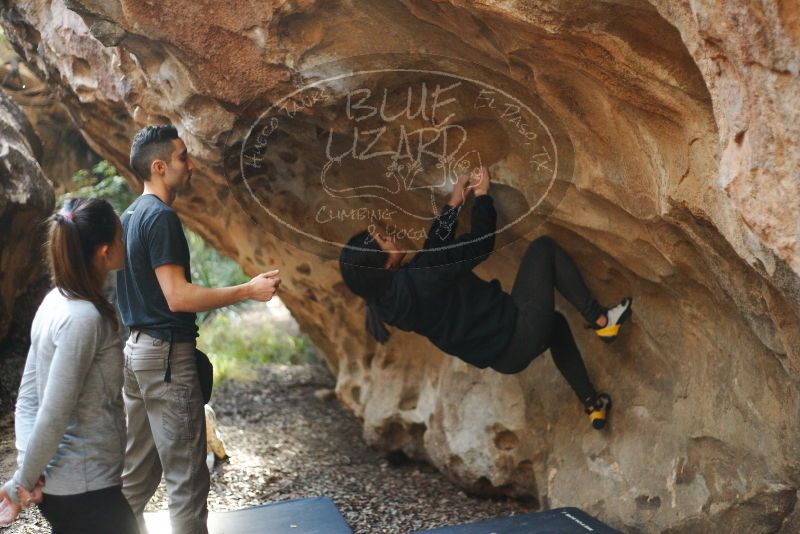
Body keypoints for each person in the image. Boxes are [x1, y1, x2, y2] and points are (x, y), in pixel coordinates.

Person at [339, 167, 632, 429]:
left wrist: (454, 203)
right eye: (382, 242)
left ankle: (593, 405)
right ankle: (601, 319)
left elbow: (432, 256)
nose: (388, 236)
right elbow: (480, 243)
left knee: (555, 326)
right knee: (544, 249)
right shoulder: (420, 275)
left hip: (505, 358)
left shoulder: (387, 302)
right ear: (385, 264)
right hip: (518, 329)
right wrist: (483, 196)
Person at [117, 124, 282, 534]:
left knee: (135, 480)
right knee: (187, 482)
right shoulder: (160, 217)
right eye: (182, 157)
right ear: (159, 167)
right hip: (166, 358)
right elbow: (178, 296)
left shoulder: (129, 216)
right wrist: (247, 289)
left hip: (135, 355)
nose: (189, 165)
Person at [0, 198, 139, 533]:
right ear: (104, 251)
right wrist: (23, 481)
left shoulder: (55, 302)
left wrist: (29, 469)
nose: (125, 243)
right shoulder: (83, 319)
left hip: (70, 487)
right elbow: (51, 412)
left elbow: (27, 399)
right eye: (121, 237)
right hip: (86, 489)